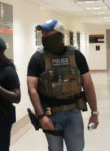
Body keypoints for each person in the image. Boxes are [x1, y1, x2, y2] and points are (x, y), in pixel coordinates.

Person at [27, 20, 99, 151]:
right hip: (50, 114)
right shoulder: (37, 58)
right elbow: (32, 89)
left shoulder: (76, 55)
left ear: (59, 34)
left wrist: (94, 112)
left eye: (48, 31)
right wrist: (41, 116)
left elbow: (88, 84)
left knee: (77, 148)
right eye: (42, 32)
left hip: (73, 113)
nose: (44, 35)